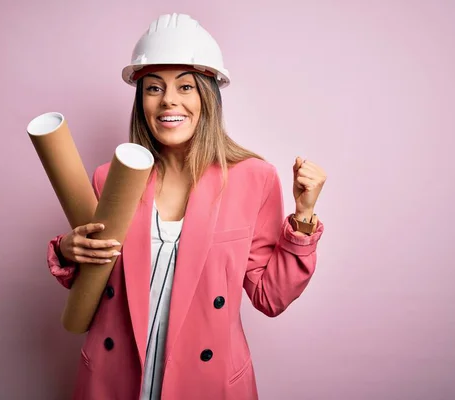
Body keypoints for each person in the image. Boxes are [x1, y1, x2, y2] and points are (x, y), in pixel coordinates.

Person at [47, 13, 326, 400]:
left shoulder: (253, 178)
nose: (169, 101)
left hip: (207, 383)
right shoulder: (107, 179)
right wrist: (67, 250)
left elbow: (270, 296)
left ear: (208, 96)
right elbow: (90, 289)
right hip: (115, 379)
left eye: (186, 86)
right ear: (140, 99)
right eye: (154, 88)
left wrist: (304, 218)